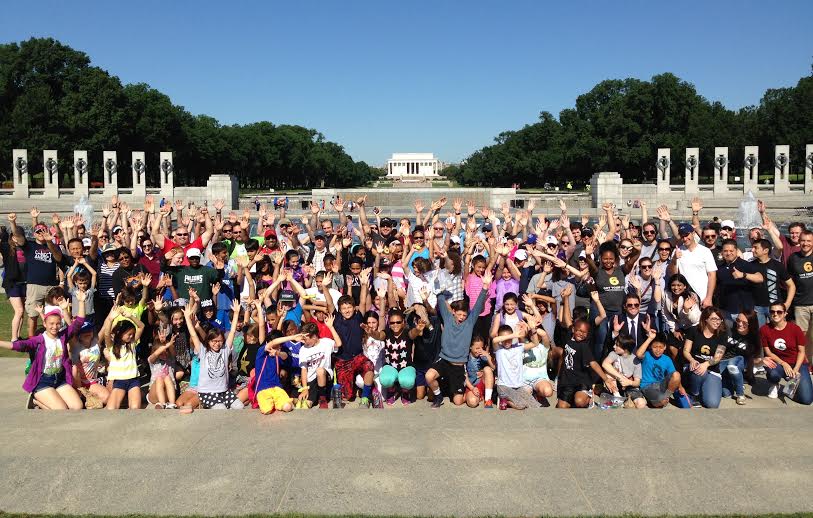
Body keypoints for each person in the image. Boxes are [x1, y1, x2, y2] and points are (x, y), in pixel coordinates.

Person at [0, 293, 87, 409]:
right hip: (42, 380)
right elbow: (19, 345)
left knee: (77, 406)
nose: (54, 327)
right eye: (51, 324)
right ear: (45, 323)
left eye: (57, 324)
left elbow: (79, 322)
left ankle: (49, 398)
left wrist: (81, 302)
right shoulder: (39, 340)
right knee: (61, 409)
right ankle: (36, 400)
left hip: (59, 379)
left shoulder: (63, 336)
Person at [425, 270, 492, 408]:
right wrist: (437, 280)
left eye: (464, 315)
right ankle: (438, 397)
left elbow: (478, 305)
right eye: (459, 314)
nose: (461, 317)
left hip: (458, 367)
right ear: (453, 312)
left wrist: (485, 287)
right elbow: (441, 298)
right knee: (429, 376)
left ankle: (468, 392)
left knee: (457, 401)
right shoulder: (448, 318)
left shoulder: (469, 322)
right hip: (444, 360)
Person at [183, 300, 244, 409]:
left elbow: (232, 331)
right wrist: (187, 318)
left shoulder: (225, 350)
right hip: (207, 392)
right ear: (208, 341)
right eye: (214, 341)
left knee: (239, 406)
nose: (217, 344)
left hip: (224, 391)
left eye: (219, 341)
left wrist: (235, 313)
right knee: (221, 409)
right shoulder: (203, 351)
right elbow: (193, 335)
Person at [556, 319, 617, 409]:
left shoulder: (583, 346)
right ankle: (573, 398)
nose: (581, 334)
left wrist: (606, 379)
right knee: (561, 407)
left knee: (579, 402)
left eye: (585, 333)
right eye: (579, 330)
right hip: (567, 382)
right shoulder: (568, 337)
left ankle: (588, 399)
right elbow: (566, 318)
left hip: (581, 381)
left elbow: (593, 363)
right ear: (573, 330)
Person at [759, 302, 812, 404]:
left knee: (807, 400)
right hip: (779, 363)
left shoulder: (795, 329)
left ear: (785, 314)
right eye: (772, 311)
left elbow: (801, 352)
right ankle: (775, 384)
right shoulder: (764, 329)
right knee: (773, 372)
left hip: (797, 364)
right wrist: (783, 363)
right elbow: (768, 352)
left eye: (779, 312)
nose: (775, 314)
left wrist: (795, 370)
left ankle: (788, 388)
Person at [682, 307, 728, 408]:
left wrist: (706, 364)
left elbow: (717, 357)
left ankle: (703, 389)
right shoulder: (694, 330)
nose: (717, 322)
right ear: (706, 319)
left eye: (719, 319)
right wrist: (692, 360)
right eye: (714, 319)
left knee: (712, 404)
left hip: (712, 370)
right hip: (694, 367)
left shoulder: (722, 334)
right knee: (699, 372)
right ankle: (694, 394)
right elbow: (686, 350)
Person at [492, 323, 541, 410]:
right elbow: (494, 340)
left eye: (509, 339)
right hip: (503, 386)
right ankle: (504, 401)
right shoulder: (499, 349)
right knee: (521, 405)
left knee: (535, 406)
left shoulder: (518, 347)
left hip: (518, 386)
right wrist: (513, 335)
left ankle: (509, 400)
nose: (507, 341)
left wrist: (533, 330)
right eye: (504, 339)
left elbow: (535, 343)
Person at [297, 318, 341, 409]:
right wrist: (305, 389)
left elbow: (339, 344)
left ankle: (322, 399)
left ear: (314, 336)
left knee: (320, 370)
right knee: (307, 402)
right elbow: (304, 370)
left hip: (325, 375)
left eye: (306, 339)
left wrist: (331, 327)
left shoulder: (326, 342)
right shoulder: (303, 350)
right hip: (311, 380)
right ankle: (315, 398)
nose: (304, 341)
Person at [672, 223, 717, 309]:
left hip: (703, 297)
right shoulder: (677, 251)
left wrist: (709, 298)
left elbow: (712, 275)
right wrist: (674, 259)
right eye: (682, 236)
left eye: (687, 235)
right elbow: (674, 274)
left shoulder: (705, 251)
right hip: (685, 297)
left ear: (693, 233)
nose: (685, 238)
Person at [751, 239, 795, 327]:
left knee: (778, 331)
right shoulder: (750, 266)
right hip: (757, 308)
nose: (752, 250)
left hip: (775, 307)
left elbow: (791, 285)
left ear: (766, 250)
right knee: (760, 335)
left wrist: (787, 303)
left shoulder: (777, 265)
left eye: (756, 248)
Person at [786, 230, 813, 364]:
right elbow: (790, 282)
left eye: (809, 241)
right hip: (800, 303)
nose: (805, 243)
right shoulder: (793, 258)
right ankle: (806, 363)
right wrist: (788, 303)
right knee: (802, 337)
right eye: (803, 240)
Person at [635, 330, 681, 408]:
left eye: (661, 347)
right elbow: (638, 354)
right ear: (650, 347)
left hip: (661, 385)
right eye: (655, 347)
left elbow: (674, 375)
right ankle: (655, 400)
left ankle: (665, 397)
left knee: (677, 374)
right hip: (647, 386)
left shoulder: (667, 359)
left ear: (665, 347)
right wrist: (650, 338)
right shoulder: (647, 355)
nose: (658, 350)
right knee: (660, 403)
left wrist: (681, 387)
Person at [722, 311, 758, 405]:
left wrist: (761, 361)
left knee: (732, 365)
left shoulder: (753, 337)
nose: (740, 324)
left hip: (739, 361)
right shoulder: (729, 326)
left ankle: (740, 394)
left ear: (751, 323)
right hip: (722, 361)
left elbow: (755, 359)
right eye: (738, 320)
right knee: (726, 394)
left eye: (744, 322)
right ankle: (734, 382)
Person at [601, 333, 646, 408]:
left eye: (617, 345)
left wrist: (629, 382)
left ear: (625, 349)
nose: (614, 346)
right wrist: (620, 377)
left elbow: (637, 383)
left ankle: (628, 400)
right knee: (608, 372)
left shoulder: (635, 361)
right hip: (615, 386)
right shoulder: (614, 354)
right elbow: (605, 364)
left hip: (629, 387)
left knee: (641, 404)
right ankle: (617, 397)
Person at [464, 335, 496, 408]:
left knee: (487, 369)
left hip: (483, 384)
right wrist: (472, 388)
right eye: (477, 348)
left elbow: (494, 367)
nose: (479, 350)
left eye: (482, 348)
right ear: (470, 347)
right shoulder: (465, 358)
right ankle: (477, 397)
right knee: (472, 402)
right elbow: (464, 375)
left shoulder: (483, 356)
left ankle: (487, 400)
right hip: (471, 385)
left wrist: (487, 356)